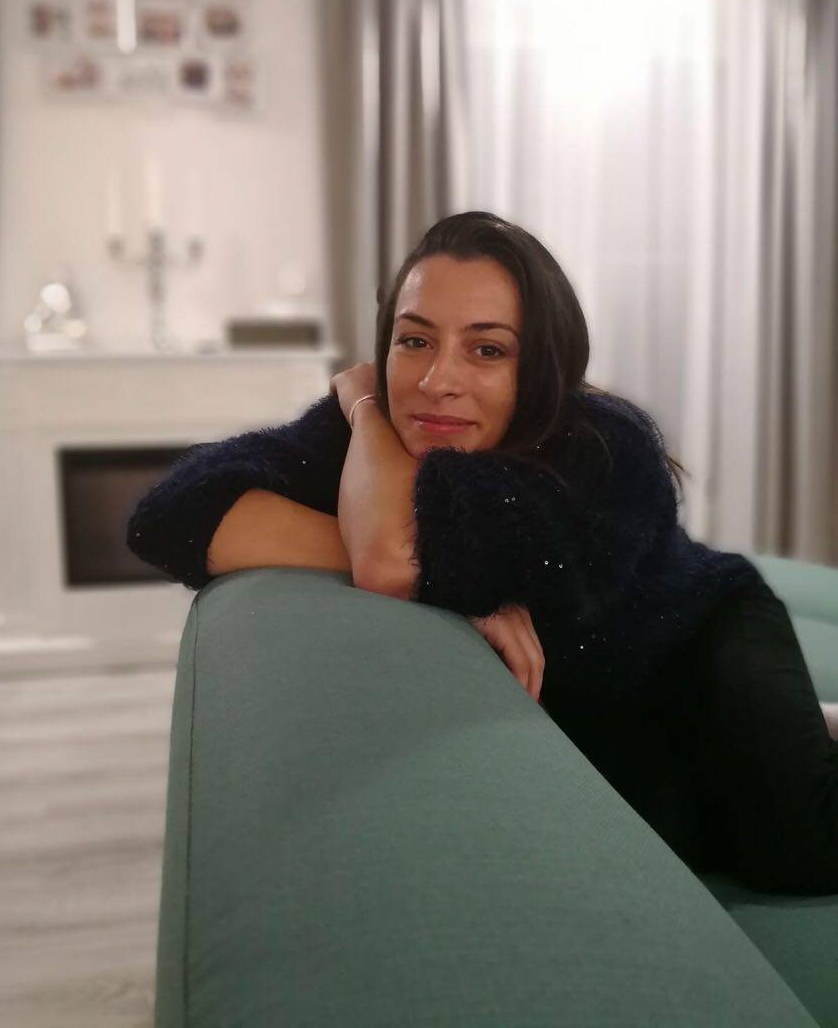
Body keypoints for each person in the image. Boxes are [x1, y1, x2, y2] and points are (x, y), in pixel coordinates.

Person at [127, 210, 838, 896]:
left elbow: (391, 559)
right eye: (414, 340)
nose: (437, 381)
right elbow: (169, 516)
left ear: (543, 367)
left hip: (703, 645)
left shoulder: (603, 450)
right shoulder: (376, 431)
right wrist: (400, 503)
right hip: (618, 726)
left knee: (804, 855)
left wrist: (395, 498)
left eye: (488, 349)